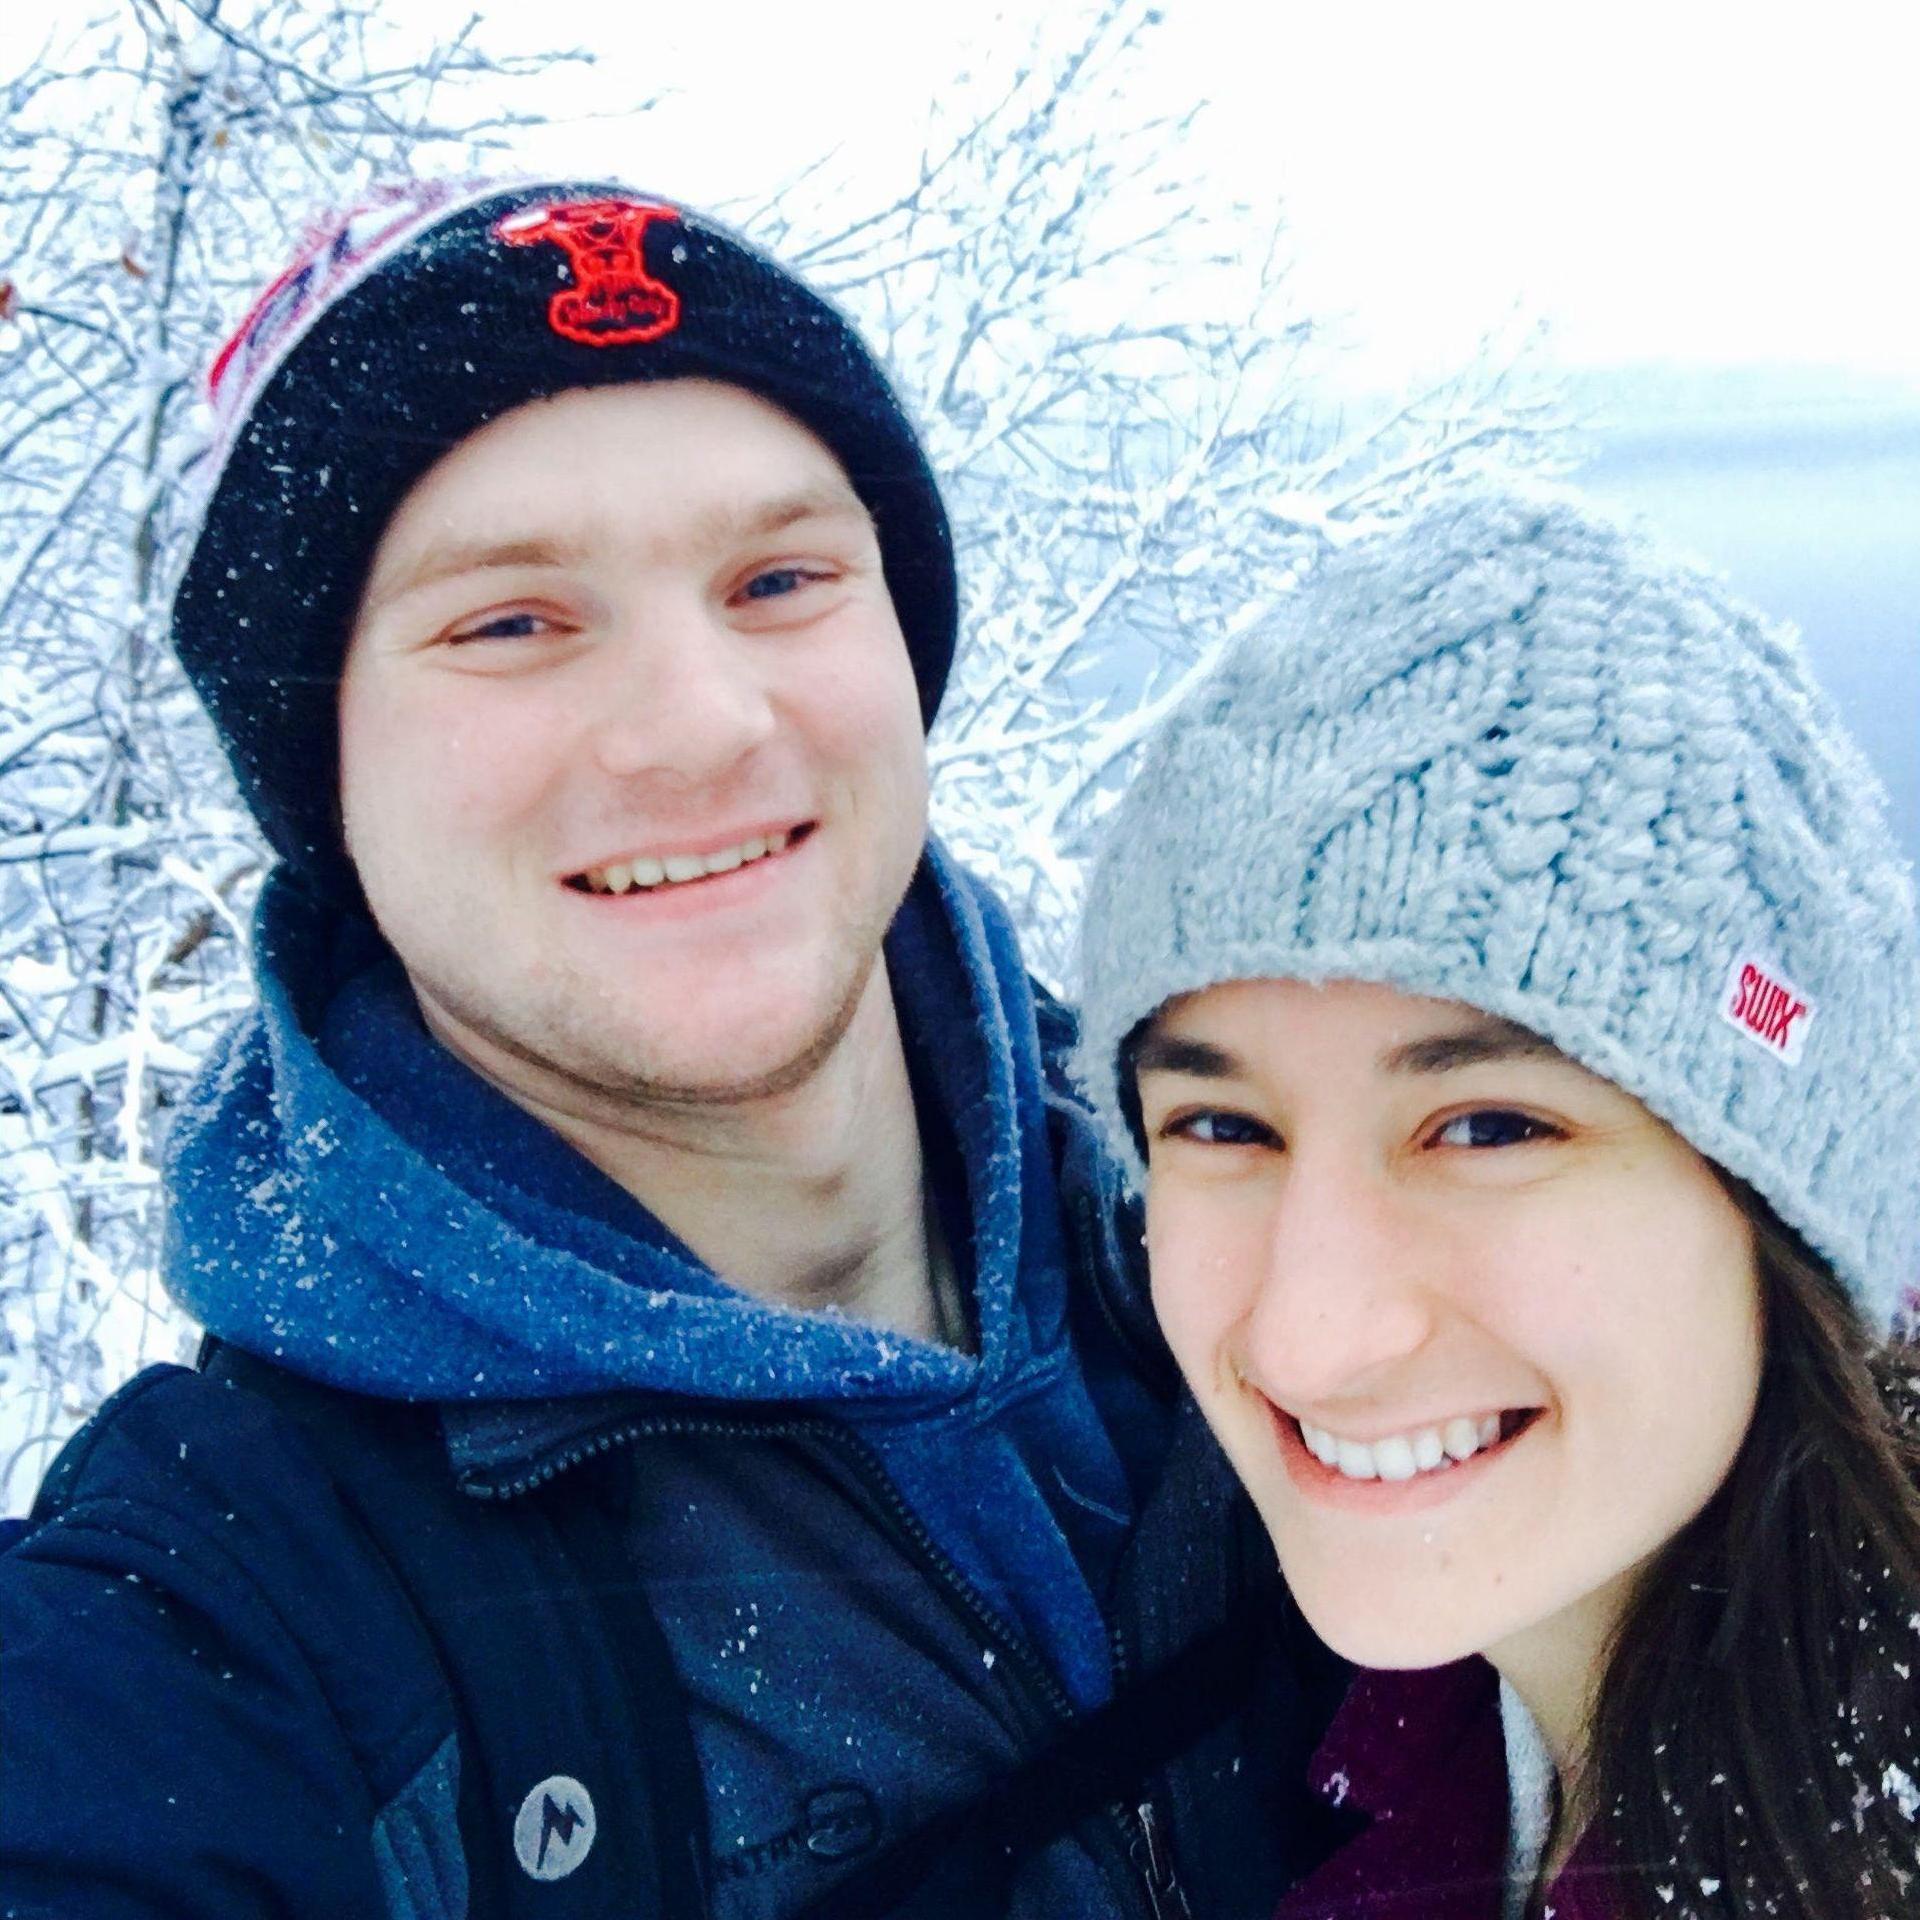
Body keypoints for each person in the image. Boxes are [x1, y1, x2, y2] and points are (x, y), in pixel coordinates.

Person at [0, 181, 1337, 1919]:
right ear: (323, 772)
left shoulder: (1295, 1220)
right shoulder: (215, 1635)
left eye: (779, 578)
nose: (702, 722)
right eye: (510, 622)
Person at [1075, 488, 1920, 1920]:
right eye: (1221, 1125)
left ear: (1776, 1201)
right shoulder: (1409, 1752)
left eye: (1487, 1126)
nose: (1314, 1331)